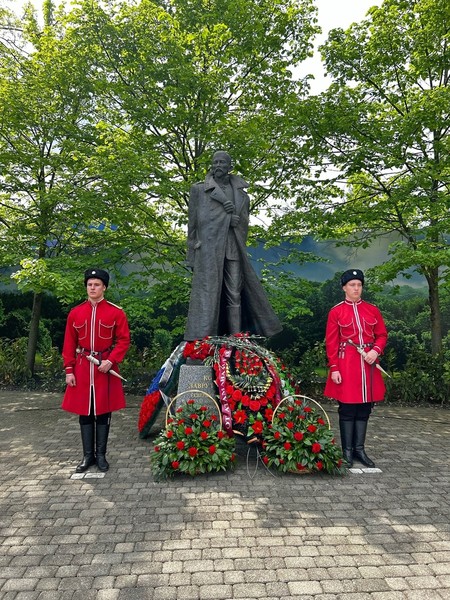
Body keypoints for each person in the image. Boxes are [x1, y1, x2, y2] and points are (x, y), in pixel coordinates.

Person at [184, 150, 282, 341]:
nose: (218, 166)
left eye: (222, 163)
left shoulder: (242, 196)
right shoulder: (199, 190)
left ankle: (236, 340)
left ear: (230, 167)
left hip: (232, 247)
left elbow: (243, 224)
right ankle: (203, 340)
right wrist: (192, 254)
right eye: (215, 162)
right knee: (208, 294)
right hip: (209, 251)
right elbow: (195, 224)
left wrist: (235, 221)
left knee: (234, 293)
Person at [62, 269, 130, 472]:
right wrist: (69, 370)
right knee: (84, 412)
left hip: (104, 368)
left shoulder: (116, 312)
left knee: (102, 411)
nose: (93, 288)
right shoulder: (76, 312)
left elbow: (124, 340)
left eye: (97, 284)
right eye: (90, 284)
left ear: (104, 288)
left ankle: (101, 456)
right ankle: (87, 456)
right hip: (82, 368)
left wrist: (111, 360)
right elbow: (68, 343)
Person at [324, 269, 388, 468]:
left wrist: (375, 351)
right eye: (352, 285)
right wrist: (334, 368)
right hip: (347, 364)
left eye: (359, 285)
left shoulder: (372, 310)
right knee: (347, 408)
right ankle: (347, 452)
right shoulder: (336, 311)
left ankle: (360, 450)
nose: (356, 288)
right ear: (344, 287)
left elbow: (382, 335)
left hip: (369, 363)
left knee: (364, 408)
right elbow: (332, 343)